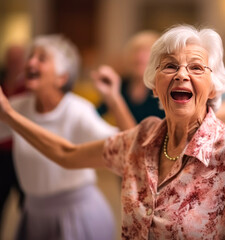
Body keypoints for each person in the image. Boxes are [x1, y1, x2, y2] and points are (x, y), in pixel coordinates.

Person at [0, 25, 225, 239]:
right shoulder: (139, 140)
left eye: (196, 67)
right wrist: (9, 115)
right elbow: (65, 154)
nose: (181, 74)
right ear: (155, 84)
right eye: (169, 66)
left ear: (215, 86)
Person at [0, 35, 134, 240]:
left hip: (76, 215)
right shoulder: (17, 106)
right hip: (33, 214)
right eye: (31, 57)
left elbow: (128, 144)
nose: (31, 62)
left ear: (62, 77)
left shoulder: (77, 111)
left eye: (42, 58)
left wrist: (113, 97)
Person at [97, 30, 165, 123]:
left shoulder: (161, 91)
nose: (139, 56)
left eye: (146, 51)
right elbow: (98, 114)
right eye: (136, 51)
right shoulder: (121, 84)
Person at [0, 45, 26, 230]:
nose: (15, 62)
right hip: (1, 152)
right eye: (12, 58)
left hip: (22, 153)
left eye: (19, 58)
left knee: (27, 205)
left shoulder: (29, 87)